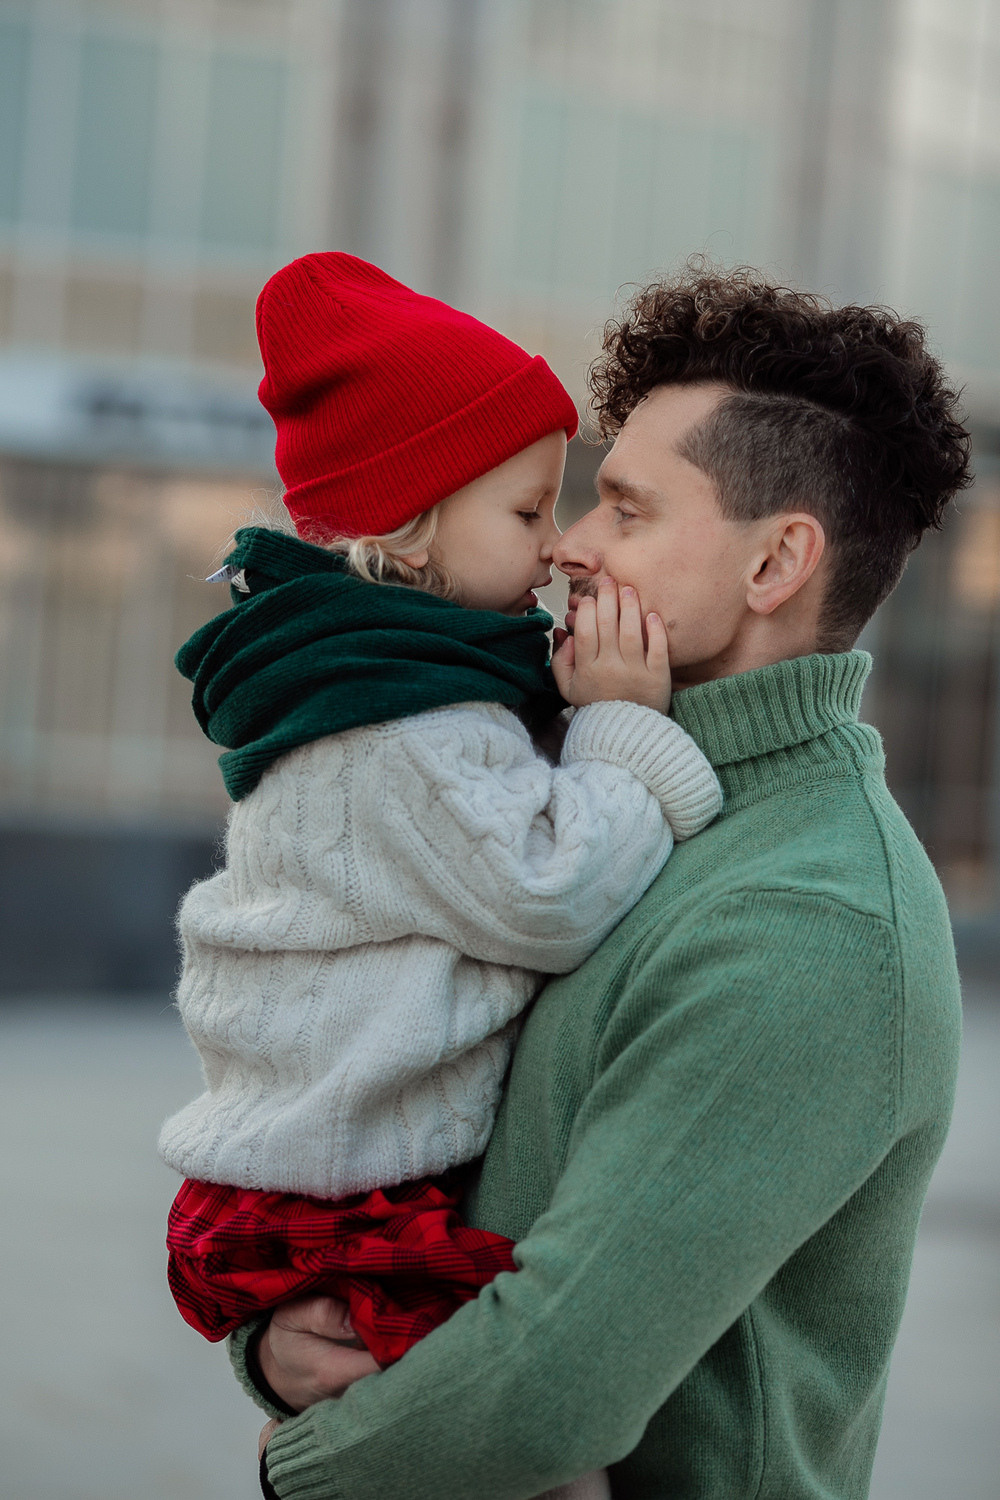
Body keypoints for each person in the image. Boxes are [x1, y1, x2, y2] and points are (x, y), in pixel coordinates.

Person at [239, 264, 972, 1500]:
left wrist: (299, 1469)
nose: (569, 544)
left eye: (626, 512)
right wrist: (291, 1342)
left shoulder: (808, 918)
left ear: (774, 562)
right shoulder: (581, 788)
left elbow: (550, 1382)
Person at [158, 253, 722, 1500]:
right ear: (409, 525)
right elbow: (549, 892)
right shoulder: (398, 730)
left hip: (323, 1174)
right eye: (528, 513)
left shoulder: (389, 678)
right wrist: (636, 732)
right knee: (529, 1442)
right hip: (342, 1194)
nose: (555, 548)